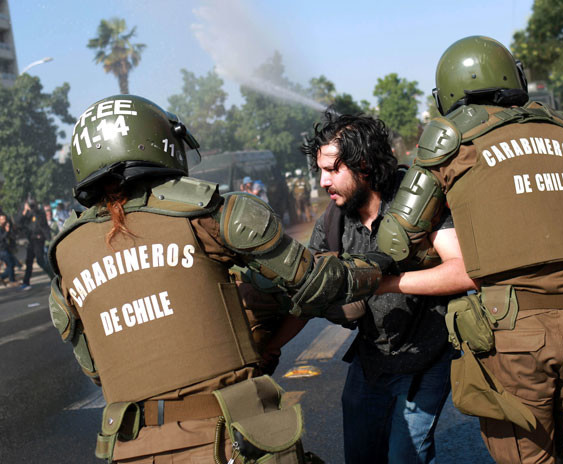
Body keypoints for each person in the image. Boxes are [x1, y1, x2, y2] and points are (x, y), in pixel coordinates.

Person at [47, 95, 390, 463]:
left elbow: (96, 370)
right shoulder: (205, 215)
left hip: (133, 450)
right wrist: (381, 263)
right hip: (230, 440)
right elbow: (314, 282)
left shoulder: (64, 256)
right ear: (160, 143)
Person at [376, 36, 563, 464]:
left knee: (528, 455)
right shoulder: (558, 129)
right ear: (513, 75)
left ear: (445, 91)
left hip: (516, 332)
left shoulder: (451, 138)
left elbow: (395, 241)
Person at [302, 112, 457, 464]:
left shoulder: (417, 204)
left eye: (332, 170)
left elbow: (463, 271)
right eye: (320, 171)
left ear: (364, 165)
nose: (323, 182)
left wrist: (385, 284)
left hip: (426, 353)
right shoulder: (333, 220)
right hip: (371, 358)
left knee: (405, 457)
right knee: (361, 456)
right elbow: (307, 288)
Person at [18, 199, 52, 290]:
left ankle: (53, 278)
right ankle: (26, 282)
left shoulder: (40, 213)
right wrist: (25, 211)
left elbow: (43, 225)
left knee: (40, 261)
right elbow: (19, 224)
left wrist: (47, 238)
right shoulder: (28, 215)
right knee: (29, 262)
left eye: (32, 205)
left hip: (38, 240)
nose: (31, 206)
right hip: (31, 241)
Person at [0, 212, 16, 285]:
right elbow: (0, 238)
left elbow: (11, 236)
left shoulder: (5, 227)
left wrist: (9, 230)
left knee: (12, 264)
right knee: (10, 264)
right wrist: (6, 231)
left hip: (6, 249)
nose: (4, 221)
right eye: (2, 219)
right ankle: (11, 280)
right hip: (1, 250)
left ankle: (2, 277)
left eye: (5, 219)